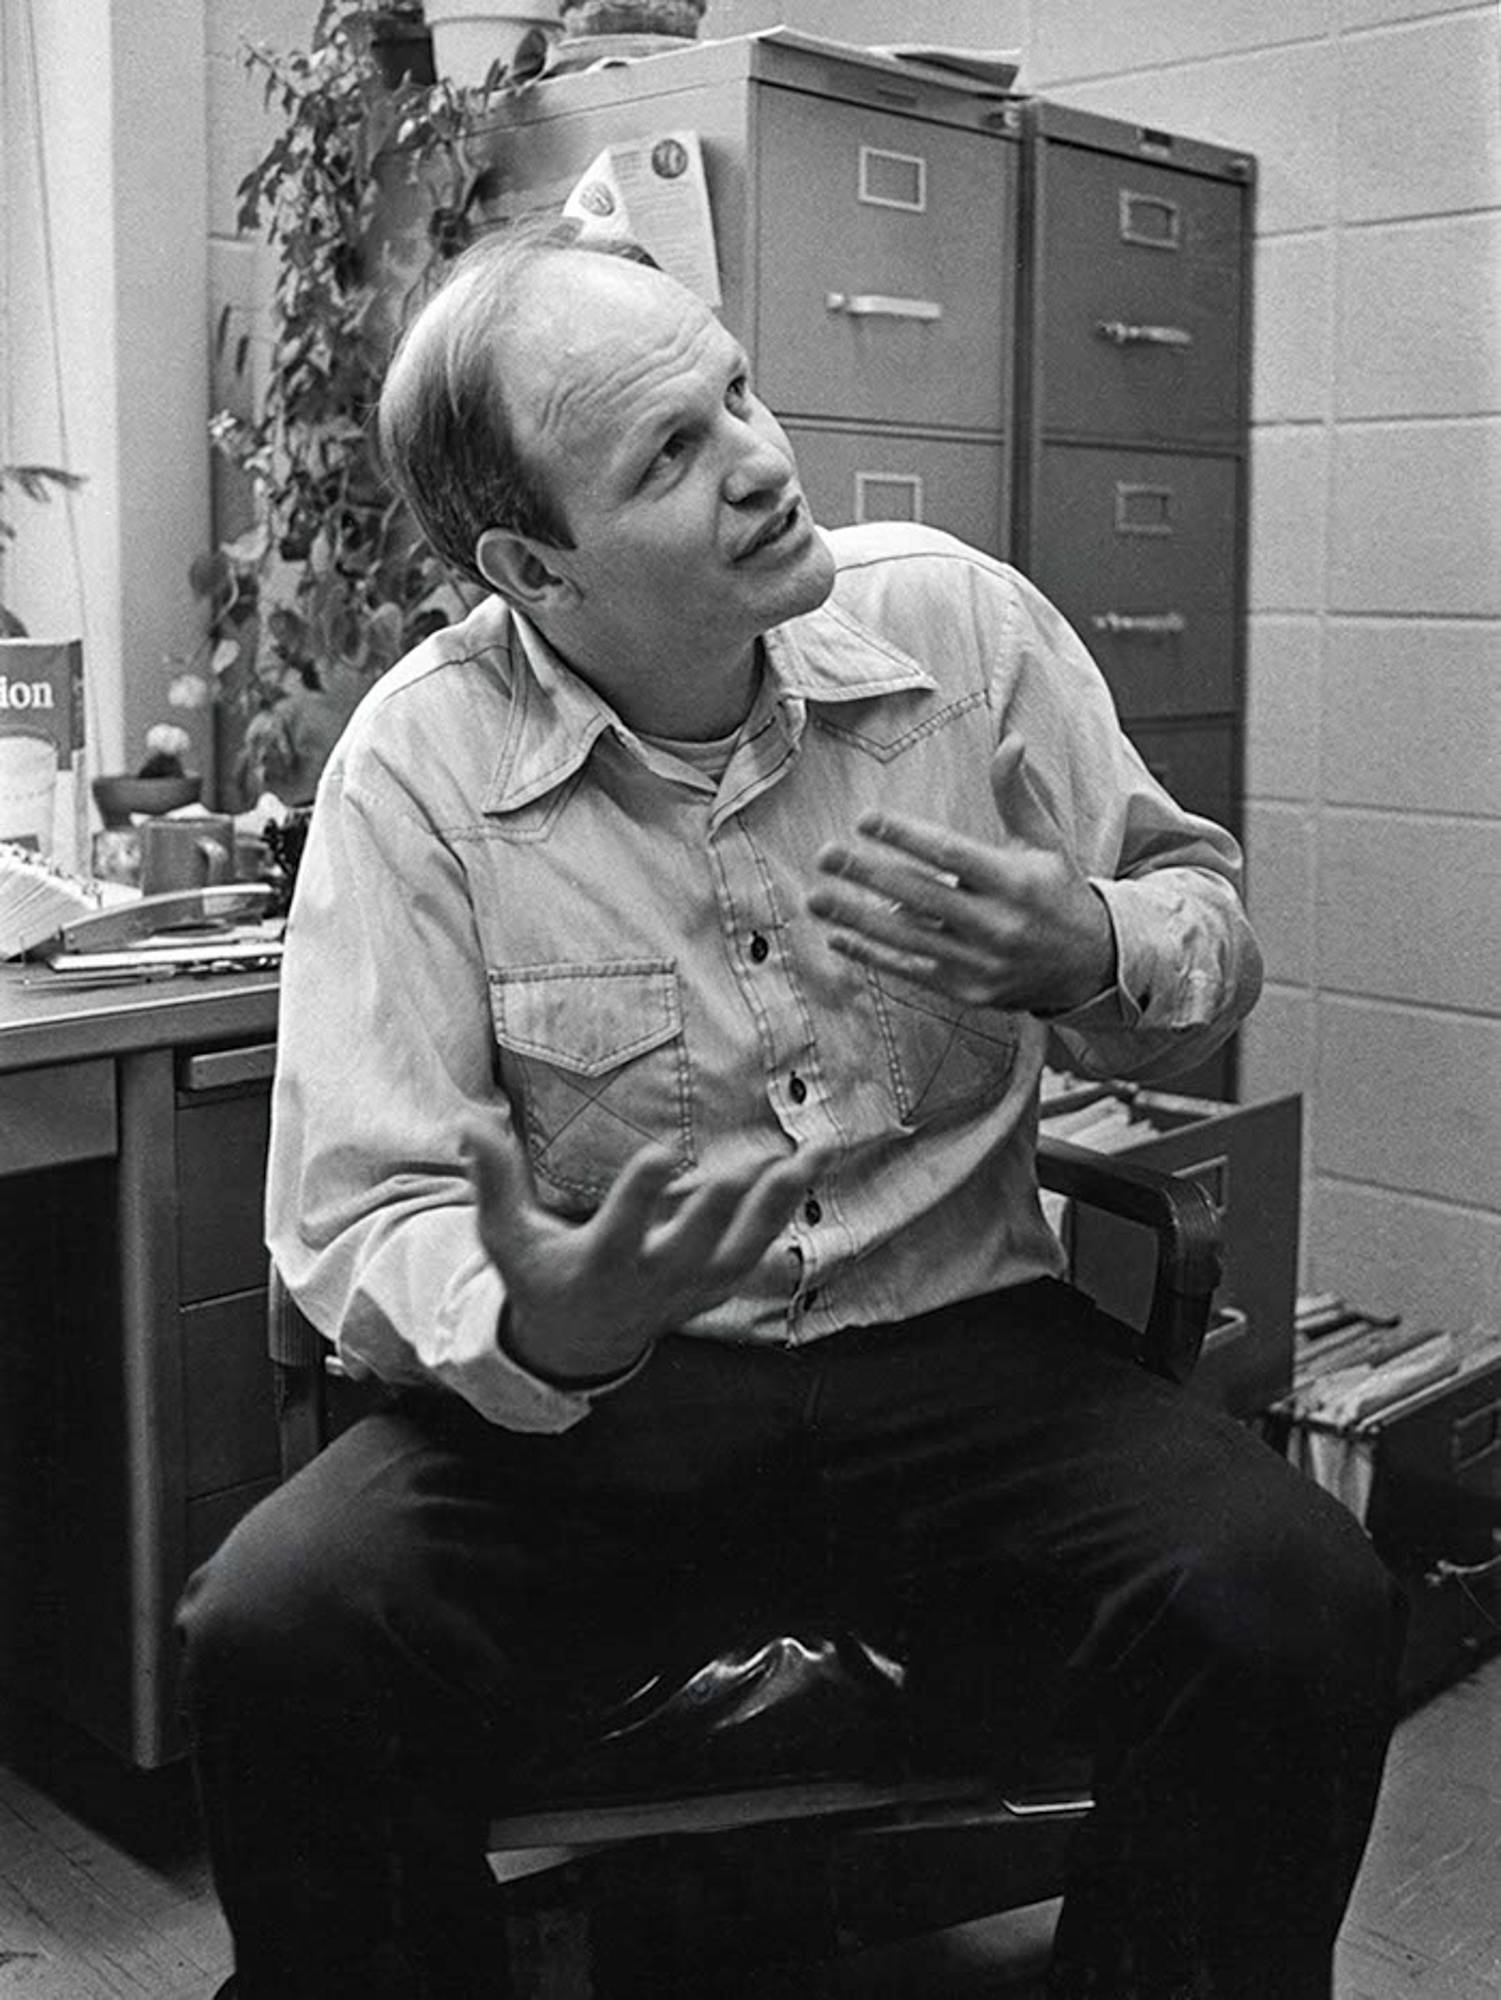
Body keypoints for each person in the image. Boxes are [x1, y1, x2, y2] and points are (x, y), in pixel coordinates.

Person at [179, 222, 1405, 2000]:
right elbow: (359, 1211)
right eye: (666, 454)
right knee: (280, 1626)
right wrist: (543, 1316)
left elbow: (1203, 933)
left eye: (732, 388)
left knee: (1294, 1598)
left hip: (961, 1358)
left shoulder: (959, 636)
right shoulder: (418, 770)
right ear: (533, 563)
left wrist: (1096, 944)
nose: (757, 459)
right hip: (607, 1409)